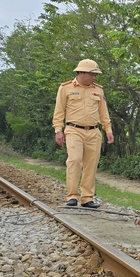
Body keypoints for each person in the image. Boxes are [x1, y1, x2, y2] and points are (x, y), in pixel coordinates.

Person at [52, 59, 114, 208]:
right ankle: (72, 196)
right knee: (74, 160)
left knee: (91, 165)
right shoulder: (66, 88)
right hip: (73, 130)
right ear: (81, 72)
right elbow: (59, 111)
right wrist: (58, 130)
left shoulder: (98, 90)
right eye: (92, 74)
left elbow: (103, 112)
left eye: (95, 75)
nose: (94, 78)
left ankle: (87, 198)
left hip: (94, 131)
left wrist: (108, 130)